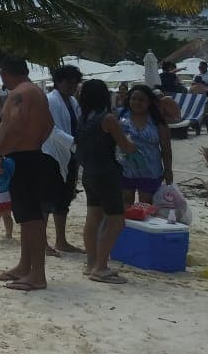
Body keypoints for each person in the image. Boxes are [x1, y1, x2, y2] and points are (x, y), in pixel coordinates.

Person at [0, 56, 58, 292]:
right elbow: (49, 124)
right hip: (31, 154)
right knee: (27, 216)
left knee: (31, 219)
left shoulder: (19, 93)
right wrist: (34, 142)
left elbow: (16, 124)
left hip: (21, 157)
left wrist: (0, 152)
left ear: (5, 73)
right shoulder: (36, 92)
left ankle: (37, 274)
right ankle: (25, 266)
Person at [76, 79, 138, 284]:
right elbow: (125, 146)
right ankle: (101, 267)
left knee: (93, 217)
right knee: (116, 220)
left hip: (89, 172)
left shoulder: (83, 118)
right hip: (106, 173)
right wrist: (132, 144)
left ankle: (91, 263)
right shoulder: (108, 119)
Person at [46, 65, 84, 256]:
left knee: (64, 198)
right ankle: (42, 242)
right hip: (52, 154)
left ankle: (61, 240)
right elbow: (51, 129)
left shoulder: (72, 101)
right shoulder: (50, 100)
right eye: (69, 82)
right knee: (47, 199)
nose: (72, 85)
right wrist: (74, 144)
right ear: (59, 82)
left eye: (75, 82)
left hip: (71, 155)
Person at [120, 85, 173, 205]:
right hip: (125, 169)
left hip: (150, 171)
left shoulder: (157, 121)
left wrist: (168, 171)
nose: (136, 102)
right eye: (133, 98)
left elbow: (166, 148)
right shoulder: (121, 117)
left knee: (147, 205)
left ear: (149, 102)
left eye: (141, 99)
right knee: (125, 203)